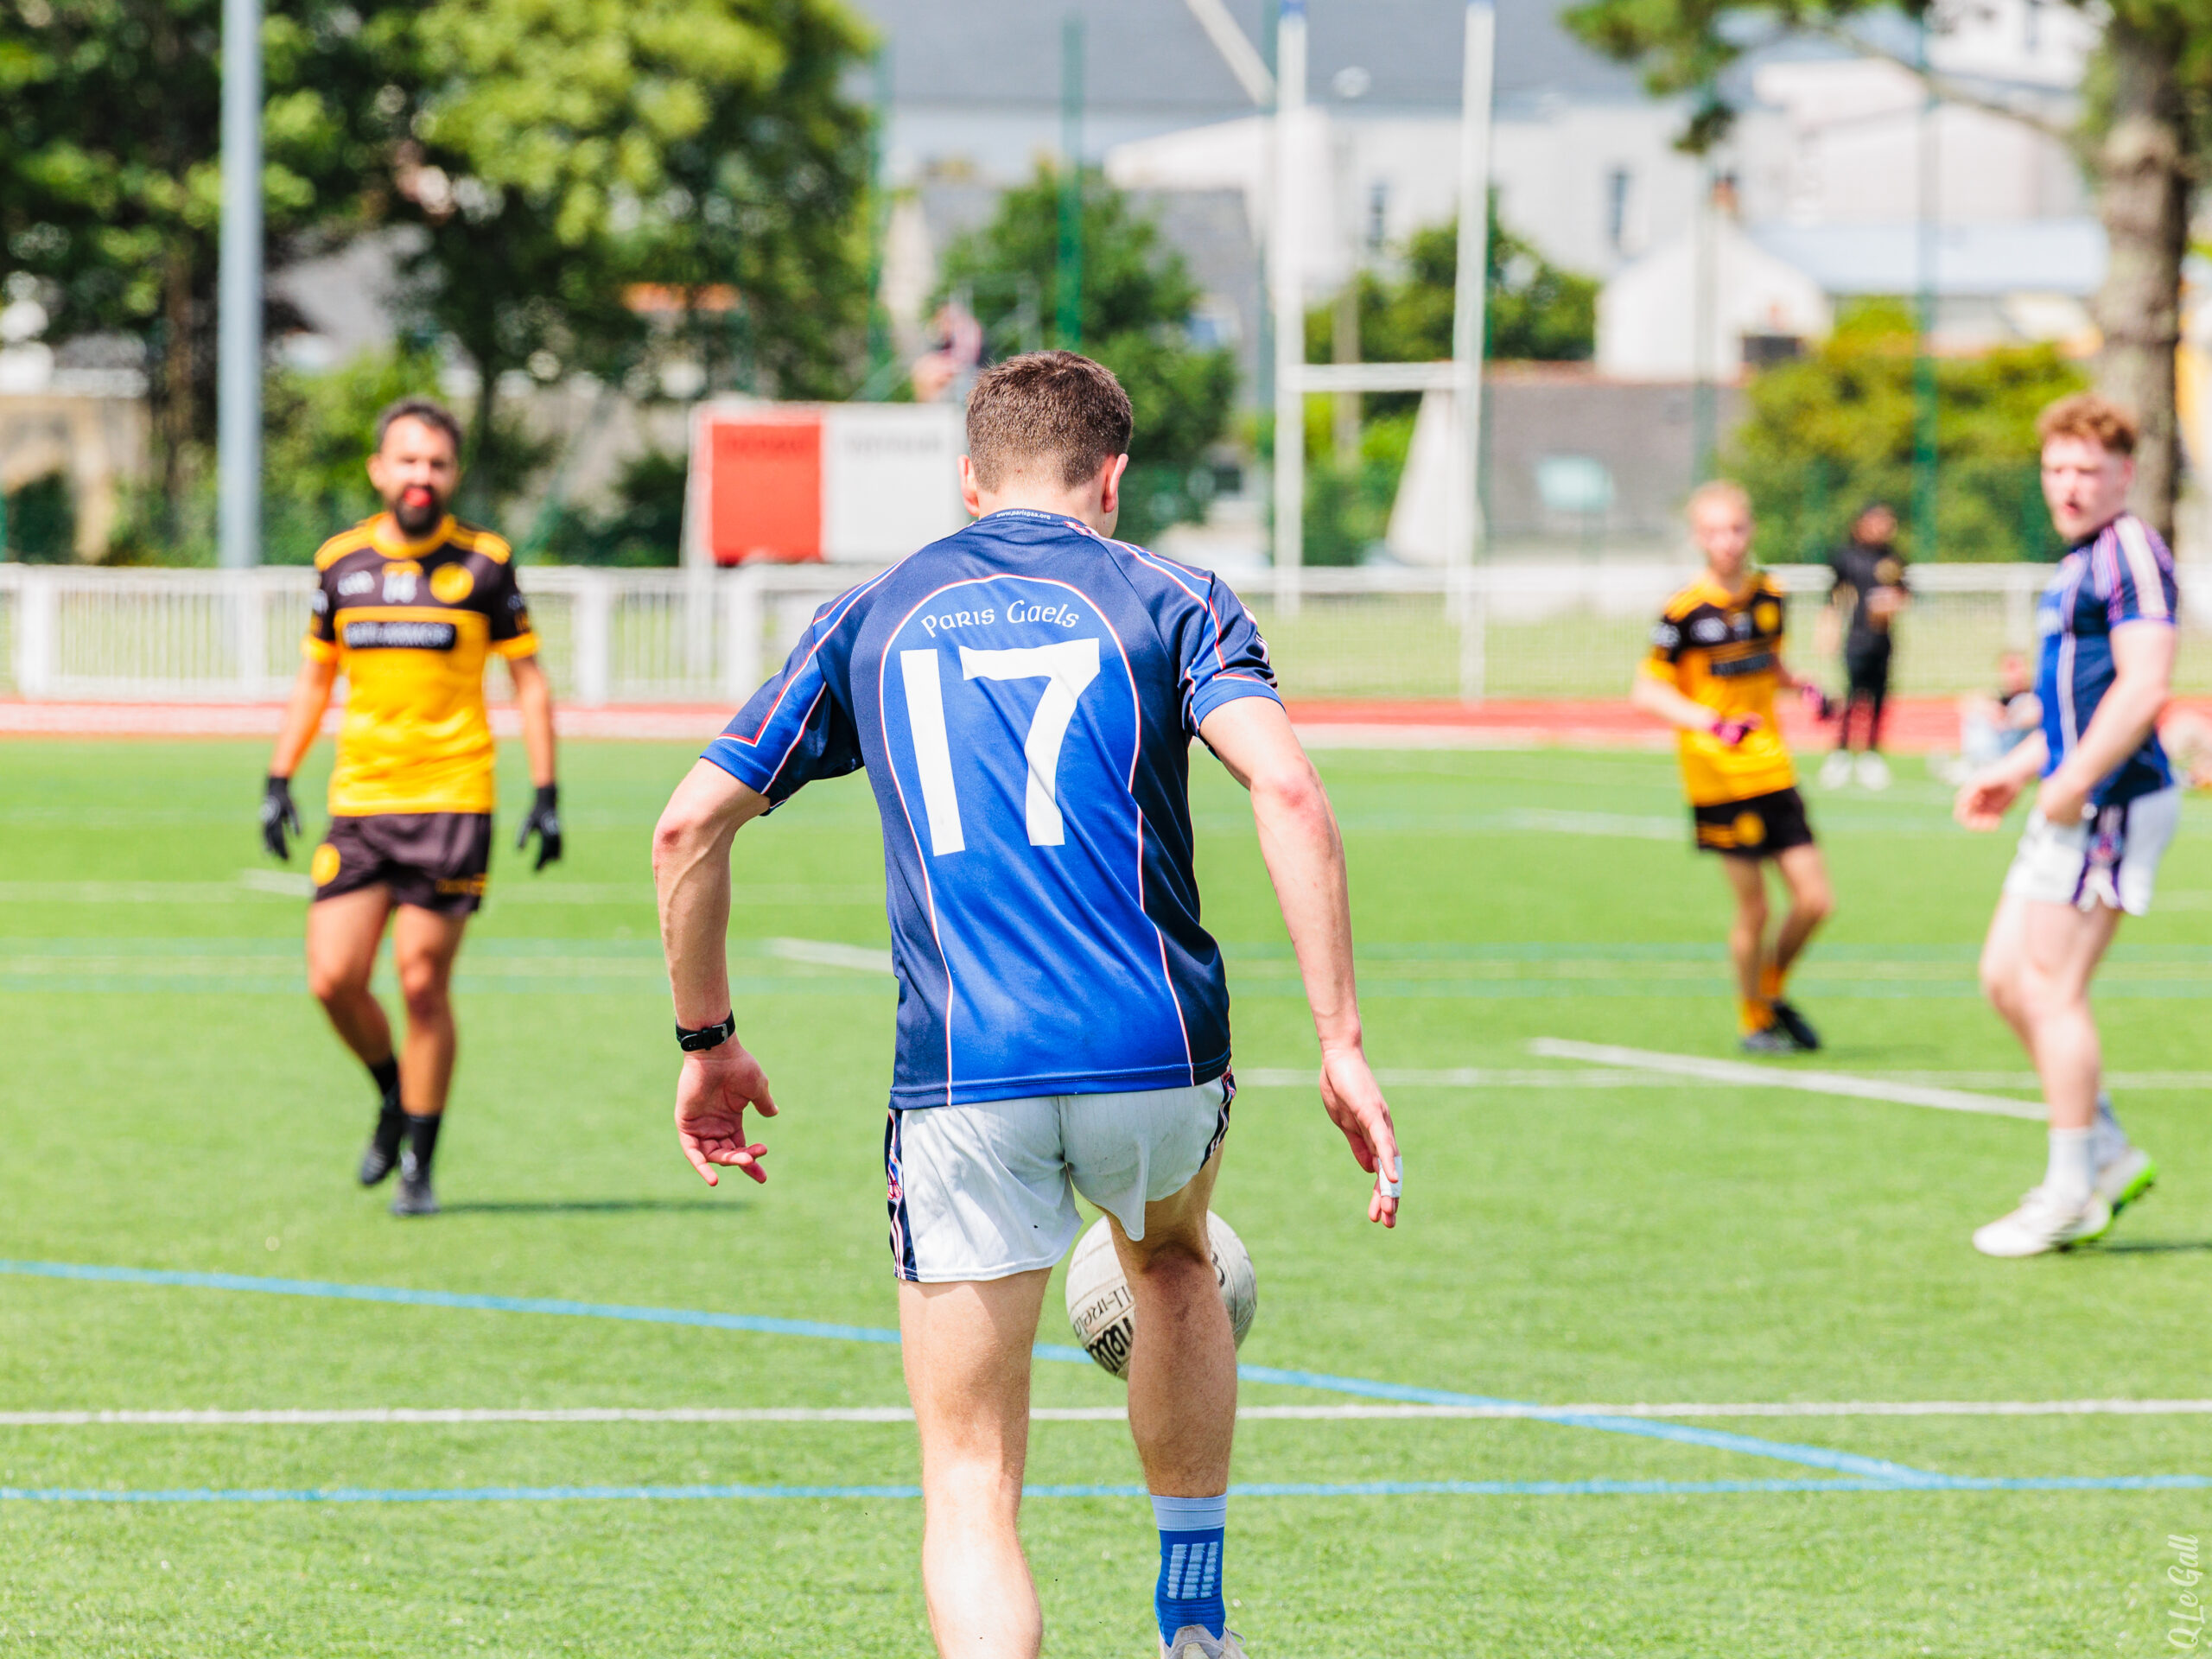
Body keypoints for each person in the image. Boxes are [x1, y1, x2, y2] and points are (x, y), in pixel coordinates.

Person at [652, 351, 1399, 1659]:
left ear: (969, 479)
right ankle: (1193, 1619)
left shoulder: (873, 612)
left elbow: (686, 828)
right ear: (1112, 479)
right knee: (1173, 1262)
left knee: (969, 1480)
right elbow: (1287, 789)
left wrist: (708, 1041)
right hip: (1157, 1049)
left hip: (965, 1071)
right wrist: (1339, 1040)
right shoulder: (1177, 596)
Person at [259, 397, 563, 1217]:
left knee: (422, 982)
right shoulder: (340, 563)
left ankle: (419, 1164)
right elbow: (315, 679)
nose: (420, 475)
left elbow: (529, 683)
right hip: (360, 803)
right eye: (407, 460)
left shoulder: (486, 564)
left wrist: (545, 791)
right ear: (379, 470)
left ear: (453, 474)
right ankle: (395, 1092)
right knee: (333, 979)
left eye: (436, 462)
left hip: (452, 801)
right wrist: (279, 777)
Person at [1955, 392, 2173, 1257]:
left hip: (2110, 803)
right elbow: (2078, 702)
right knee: (2005, 979)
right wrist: (2017, 770)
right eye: (2056, 469)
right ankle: (2107, 1150)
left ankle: (2073, 1190)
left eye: (2087, 469)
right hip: (2071, 795)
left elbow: (2144, 684)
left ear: (2124, 474)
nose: (2069, 485)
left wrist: (2076, 778)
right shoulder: (2080, 559)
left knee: (2051, 989)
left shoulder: (2129, 551)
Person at [1632, 480, 1834, 1053]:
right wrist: (1711, 723)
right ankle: (1754, 1019)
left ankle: (1770, 988)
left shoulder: (1771, 595)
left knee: (1815, 901)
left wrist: (1805, 688)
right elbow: (1647, 690)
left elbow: (1769, 663)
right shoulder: (1683, 611)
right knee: (1756, 908)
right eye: (1715, 531)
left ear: (1752, 530)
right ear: (1699, 538)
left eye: (1737, 528)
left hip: (1772, 767)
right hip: (1718, 778)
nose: (1728, 541)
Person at [1819, 502, 1910, 791]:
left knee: (1879, 697)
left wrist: (1893, 602)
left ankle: (1871, 753)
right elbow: (1832, 596)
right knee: (1852, 695)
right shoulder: (1847, 557)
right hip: (1856, 637)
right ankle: (1842, 752)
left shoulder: (1893, 558)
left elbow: (1906, 593)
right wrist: (1828, 629)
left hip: (1883, 639)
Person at [1934, 652, 2043, 785]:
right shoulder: (2001, 698)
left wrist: (2010, 719)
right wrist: (1992, 710)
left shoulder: (2033, 695)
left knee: (2020, 705)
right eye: (2010, 668)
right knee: (1977, 713)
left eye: (2019, 667)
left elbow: (2035, 713)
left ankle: (1986, 767)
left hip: (2021, 753)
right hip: (2000, 751)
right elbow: (1967, 702)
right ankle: (1978, 763)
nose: (2016, 674)